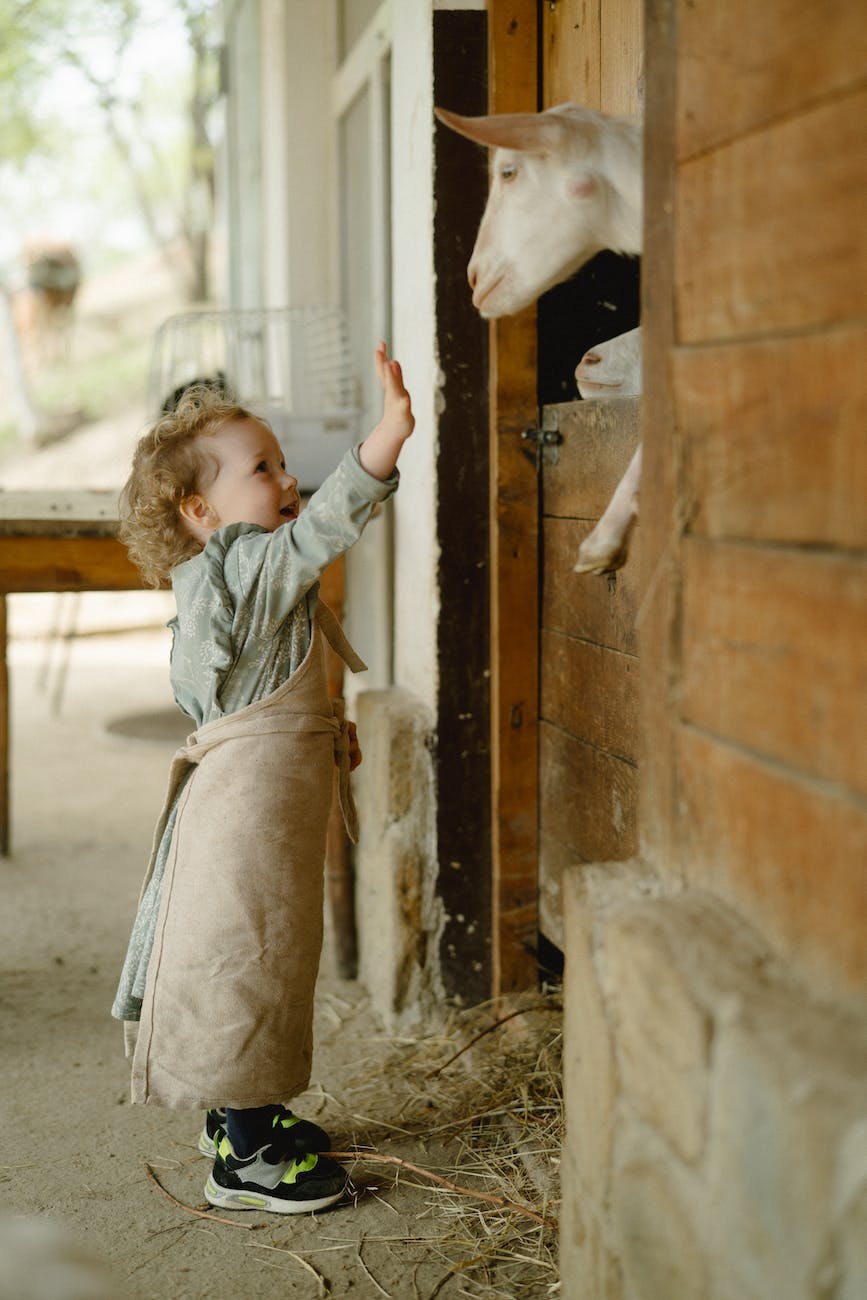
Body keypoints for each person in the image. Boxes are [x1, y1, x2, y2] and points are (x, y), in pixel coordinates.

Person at [111, 342, 414, 1214]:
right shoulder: (249, 563)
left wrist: (325, 732)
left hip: (254, 797)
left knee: (261, 950)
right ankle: (243, 1159)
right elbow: (327, 529)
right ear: (203, 510)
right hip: (248, 812)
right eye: (263, 468)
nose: (286, 481)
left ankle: (241, 1115)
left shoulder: (225, 580)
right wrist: (387, 435)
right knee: (247, 956)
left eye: (283, 463)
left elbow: (255, 698)